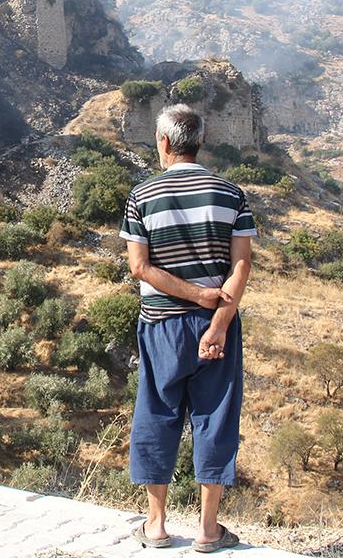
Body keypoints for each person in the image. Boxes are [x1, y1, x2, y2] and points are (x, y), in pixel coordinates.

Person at [119, 104, 255, 553]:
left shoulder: (142, 196)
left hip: (161, 327)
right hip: (217, 326)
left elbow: (139, 268)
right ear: (200, 142)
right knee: (214, 418)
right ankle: (208, 531)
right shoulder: (232, 195)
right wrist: (216, 320)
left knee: (157, 414)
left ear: (163, 142)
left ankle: (156, 527)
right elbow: (241, 265)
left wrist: (192, 295)